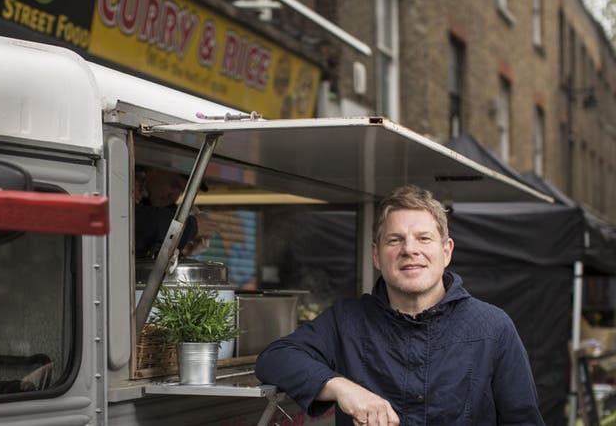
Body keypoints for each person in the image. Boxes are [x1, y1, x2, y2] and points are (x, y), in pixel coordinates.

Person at [255, 185, 544, 425]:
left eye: (423, 238)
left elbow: (523, 421)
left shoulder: (492, 328)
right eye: (395, 240)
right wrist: (342, 388)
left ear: (446, 251)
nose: (409, 250)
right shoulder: (347, 321)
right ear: (377, 255)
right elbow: (275, 358)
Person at [135, 167, 216, 258]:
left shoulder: (160, 207)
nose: (174, 196)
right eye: (173, 185)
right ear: (155, 169)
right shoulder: (126, 185)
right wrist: (189, 227)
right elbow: (136, 223)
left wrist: (180, 246)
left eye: (181, 191)